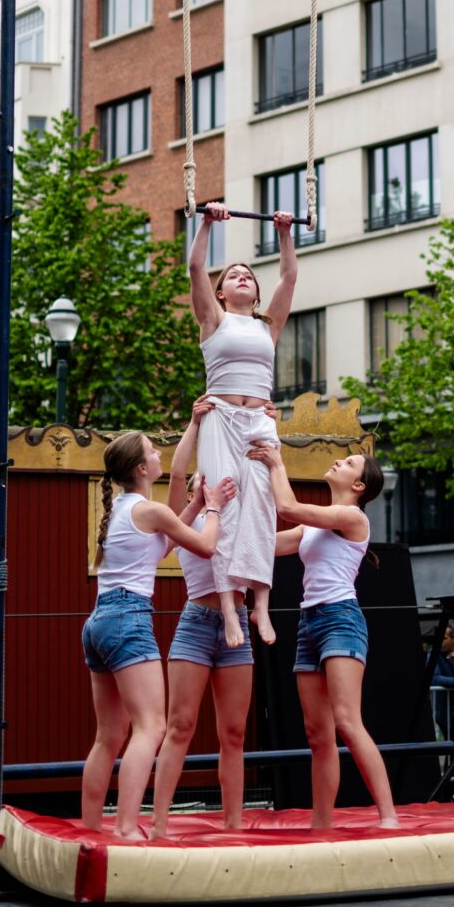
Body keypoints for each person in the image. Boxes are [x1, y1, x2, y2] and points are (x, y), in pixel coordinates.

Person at [81, 430, 234, 843]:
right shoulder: (149, 509)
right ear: (141, 468)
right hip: (129, 619)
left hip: (99, 621)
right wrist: (215, 508)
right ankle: (128, 827)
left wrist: (198, 502)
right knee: (151, 727)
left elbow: (165, 545)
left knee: (108, 736)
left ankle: (92, 828)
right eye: (152, 450)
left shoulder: (124, 510)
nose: (158, 452)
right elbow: (203, 545)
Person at [247, 441, 399, 830]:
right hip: (309, 624)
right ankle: (321, 823)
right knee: (318, 734)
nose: (338, 461)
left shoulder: (352, 518)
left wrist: (276, 460)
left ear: (360, 485)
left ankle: (388, 816)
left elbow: (289, 508)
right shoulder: (313, 529)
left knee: (348, 721)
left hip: (340, 619)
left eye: (348, 462)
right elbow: (264, 546)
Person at [151, 394, 276, 836]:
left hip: (236, 622)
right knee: (180, 726)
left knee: (234, 734)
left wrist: (262, 422)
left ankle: (234, 823)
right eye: (204, 481)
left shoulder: (235, 512)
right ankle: (160, 822)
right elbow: (180, 470)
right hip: (196, 625)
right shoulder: (186, 520)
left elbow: (253, 471)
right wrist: (194, 423)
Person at [188, 201, 297, 651]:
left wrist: (284, 233)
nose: (243, 278)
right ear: (221, 292)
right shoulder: (213, 321)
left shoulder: (267, 325)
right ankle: (231, 607)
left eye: (249, 275)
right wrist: (207, 224)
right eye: (233, 275)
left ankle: (261, 604)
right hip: (221, 420)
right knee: (226, 505)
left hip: (259, 420)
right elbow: (195, 267)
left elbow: (289, 277)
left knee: (262, 508)